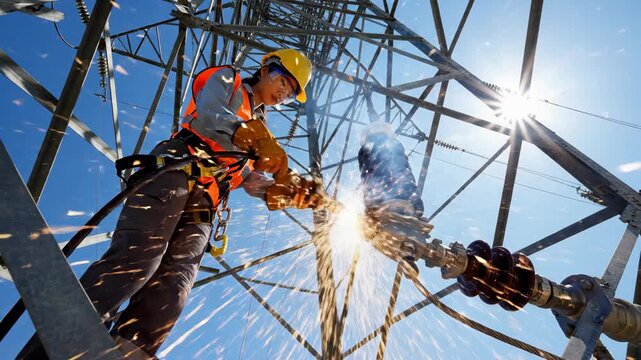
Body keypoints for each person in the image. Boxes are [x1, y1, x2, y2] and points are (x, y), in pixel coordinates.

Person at [19, 49, 324, 359]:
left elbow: (248, 177)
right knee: (138, 261)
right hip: (175, 169)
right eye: (283, 82)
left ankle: (129, 351)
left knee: (172, 291)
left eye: (289, 93)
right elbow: (211, 114)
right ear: (266, 68)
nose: (283, 94)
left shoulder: (262, 133)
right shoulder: (228, 81)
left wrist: (283, 190)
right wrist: (254, 138)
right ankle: (59, 344)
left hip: (205, 206)